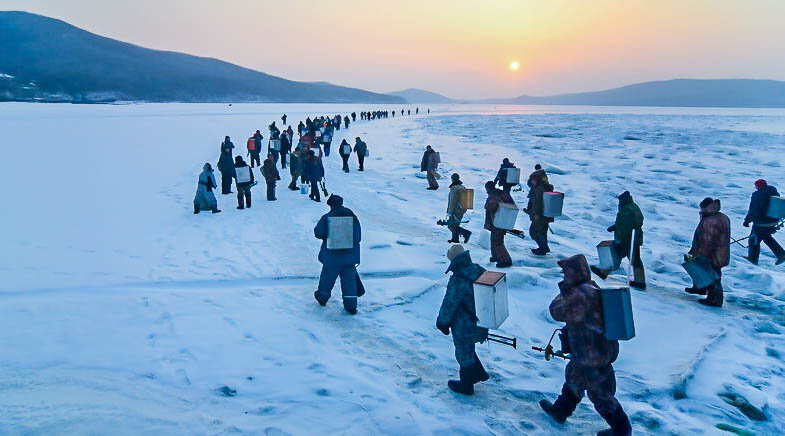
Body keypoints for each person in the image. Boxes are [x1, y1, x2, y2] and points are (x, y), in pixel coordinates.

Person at [540, 254, 632, 436]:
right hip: (594, 350)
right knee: (574, 378)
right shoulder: (590, 287)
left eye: (566, 274)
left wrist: (565, 289)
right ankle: (561, 410)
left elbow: (556, 311)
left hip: (591, 354)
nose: (564, 277)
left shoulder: (579, 295)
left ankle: (622, 430)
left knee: (600, 394)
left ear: (573, 274)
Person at [436, 245, 489, 395]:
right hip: (481, 318)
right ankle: (479, 372)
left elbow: (449, 303)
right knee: (468, 346)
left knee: (463, 351)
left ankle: (466, 385)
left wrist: (442, 322)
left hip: (464, 322)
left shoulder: (459, 278)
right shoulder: (478, 269)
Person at [313, 195, 363, 314]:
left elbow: (318, 233)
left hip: (332, 256)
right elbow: (358, 237)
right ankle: (351, 306)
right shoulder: (353, 218)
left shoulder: (327, 217)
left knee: (327, 279)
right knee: (349, 281)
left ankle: (322, 298)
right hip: (349, 257)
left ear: (330, 205)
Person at [590, 191, 646, 289]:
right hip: (633, 237)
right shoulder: (633, 206)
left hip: (628, 238)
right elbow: (628, 224)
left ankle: (640, 282)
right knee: (620, 255)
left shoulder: (626, 209)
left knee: (629, 258)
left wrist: (619, 237)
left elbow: (625, 226)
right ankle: (604, 272)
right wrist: (614, 227)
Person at [685, 198, 731, 307]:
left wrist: (702, 256)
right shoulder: (720, 216)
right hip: (719, 253)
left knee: (713, 276)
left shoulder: (712, 221)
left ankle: (715, 300)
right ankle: (702, 289)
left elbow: (708, 241)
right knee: (713, 275)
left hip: (712, 254)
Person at [743, 179, 785, 265]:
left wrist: (747, 220)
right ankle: (781, 254)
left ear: (758, 186)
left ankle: (753, 259)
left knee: (753, 240)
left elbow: (754, 209)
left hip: (760, 222)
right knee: (766, 237)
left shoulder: (757, 195)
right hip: (773, 221)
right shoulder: (773, 192)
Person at [484, 181, 514, 268]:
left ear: (488, 188)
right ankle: (496, 256)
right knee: (494, 239)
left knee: (497, 241)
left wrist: (486, 205)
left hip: (497, 222)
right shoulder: (502, 193)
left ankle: (506, 260)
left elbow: (491, 207)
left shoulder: (493, 195)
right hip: (503, 220)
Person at [525, 171, 554, 256]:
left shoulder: (539, 189)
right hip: (546, 215)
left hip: (539, 215)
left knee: (534, 231)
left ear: (536, 179)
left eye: (533, 180)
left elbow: (537, 203)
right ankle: (543, 248)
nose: (532, 181)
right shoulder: (545, 187)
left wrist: (534, 213)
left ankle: (543, 248)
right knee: (542, 232)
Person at [446, 174, 472, 243]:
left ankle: (466, 233)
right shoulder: (462, 187)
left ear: (452, 179)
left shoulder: (454, 188)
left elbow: (453, 201)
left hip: (455, 210)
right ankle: (455, 239)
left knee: (451, 225)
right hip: (462, 209)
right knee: (455, 224)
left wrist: (450, 212)